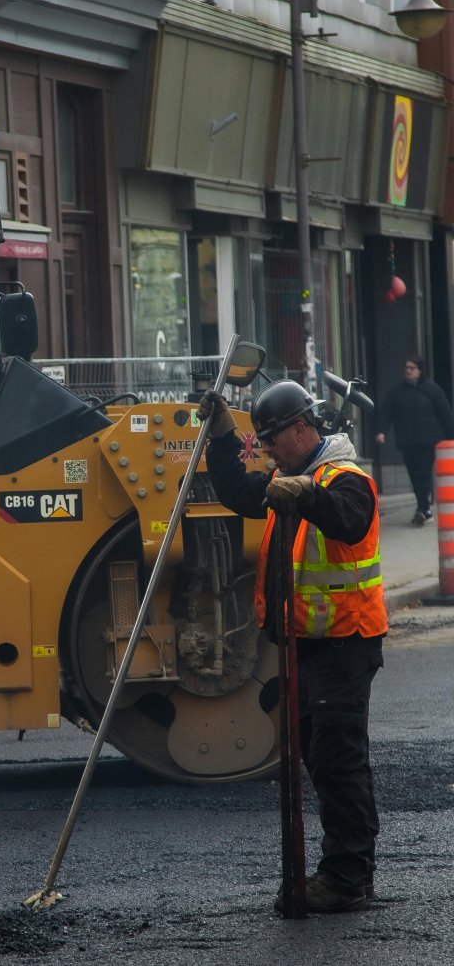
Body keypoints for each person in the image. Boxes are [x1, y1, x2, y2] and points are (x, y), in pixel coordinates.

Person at [198, 381, 385, 914]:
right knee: (322, 758)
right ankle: (348, 872)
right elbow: (237, 491)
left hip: (344, 644)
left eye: (272, 439)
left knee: (337, 760)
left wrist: (305, 494)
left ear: (302, 429)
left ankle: (347, 877)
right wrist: (221, 436)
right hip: (307, 644)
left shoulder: (346, 479)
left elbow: (347, 519)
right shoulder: (289, 477)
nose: (268, 450)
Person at [374, 355, 454, 525]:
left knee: (424, 474)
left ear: (419, 370)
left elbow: (444, 412)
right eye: (406, 368)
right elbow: (386, 412)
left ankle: (423, 508)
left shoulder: (431, 389)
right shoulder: (397, 392)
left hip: (428, 440)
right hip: (407, 441)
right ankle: (423, 507)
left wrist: (450, 436)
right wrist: (381, 431)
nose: (408, 371)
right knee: (414, 475)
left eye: (412, 368)